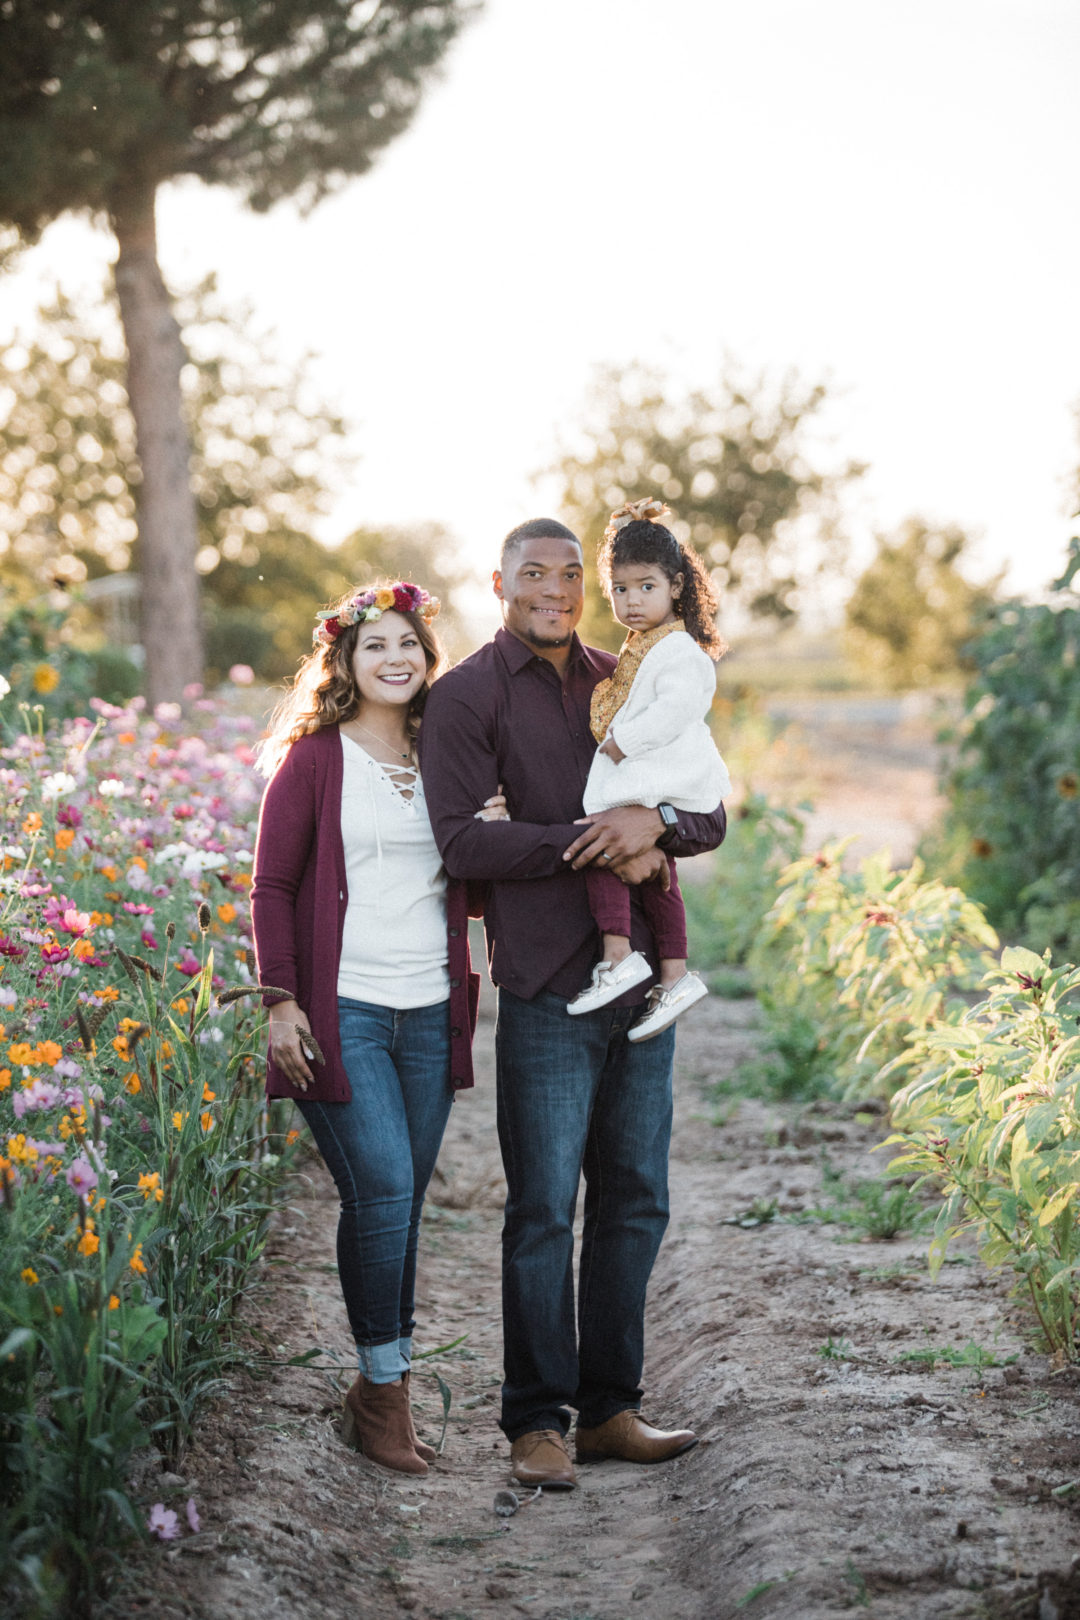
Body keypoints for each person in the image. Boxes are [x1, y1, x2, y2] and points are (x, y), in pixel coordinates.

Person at [418, 519, 727, 1491]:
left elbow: (710, 812)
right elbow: (463, 844)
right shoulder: (467, 695)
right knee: (546, 1208)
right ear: (498, 579)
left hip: (638, 978)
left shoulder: (630, 674)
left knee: (636, 1197)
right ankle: (536, 1423)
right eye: (533, 573)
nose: (555, 588)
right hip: (549, 980)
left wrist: (657, 821)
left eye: (568, 574)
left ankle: (610, 1411)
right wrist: (588, 838)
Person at [250, 579, 494, 1477]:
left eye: (408, 644)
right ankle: (383, 1392)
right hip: (339, 1008)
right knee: (384, 1186)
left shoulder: (453, 759)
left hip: (429, 1010)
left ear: (430, 659)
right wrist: (280, 999)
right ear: (345, 663)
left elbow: (469, 866)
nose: (395, 659)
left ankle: (374, 1388)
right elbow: (271, 885)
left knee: (398, 1202)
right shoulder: (316, 759)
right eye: (374, 646)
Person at [567, 498, 731, 1041]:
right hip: (653, 775)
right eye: (620, 589)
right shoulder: (643, 645)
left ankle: (620, 957)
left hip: (664, 774)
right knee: (654, 870)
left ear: (676, 586)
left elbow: (679, 708)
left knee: (602, 841)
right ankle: (672, 973)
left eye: (646, 587)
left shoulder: (681, 649)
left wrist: (622, 743)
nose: (632, 601)